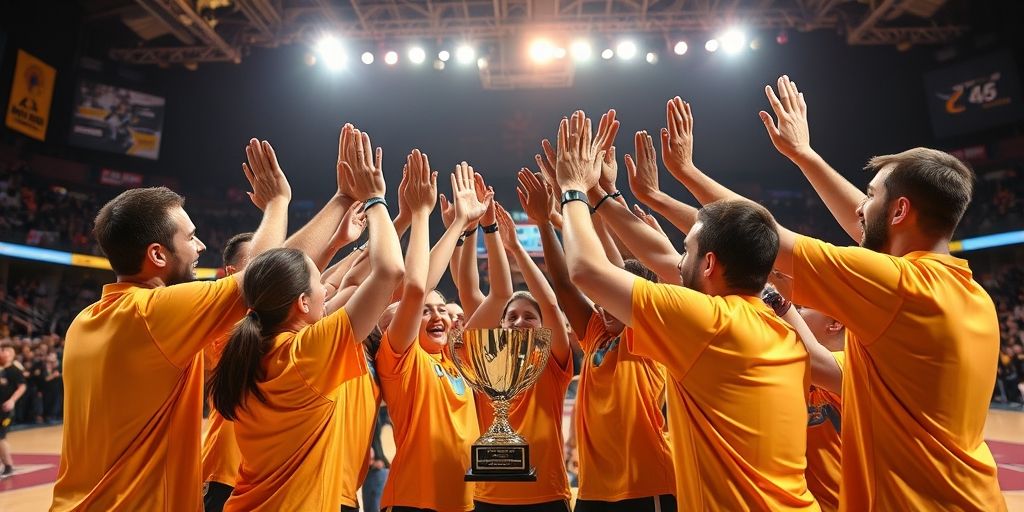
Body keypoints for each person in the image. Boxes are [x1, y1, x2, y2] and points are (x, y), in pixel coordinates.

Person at [670, 76, 1005, 509]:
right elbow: (873, 229)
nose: (860, 206)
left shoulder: (900, 287)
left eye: (870, 194)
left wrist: (688, 173)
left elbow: (761, 236)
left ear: (900, 210)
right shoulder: (970, 292)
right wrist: (804, 155)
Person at [554, 111, 817, 510]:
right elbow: (661, 255)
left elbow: (586, 270)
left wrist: (572, 188)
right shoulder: (779, 325)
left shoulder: (707, 321)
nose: (678, 261)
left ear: (709, 264)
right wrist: (602, 196)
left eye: (688, 251)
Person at [50, 138, 293, 511]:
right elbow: (261, 277)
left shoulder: (84, 320)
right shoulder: (155, 312)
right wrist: (278, 202)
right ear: (157, 254)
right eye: (191, 237)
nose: (201, 247)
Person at [211, 127, 404, 511]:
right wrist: (376, 199)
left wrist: (341, 209)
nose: (326, 289)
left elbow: (273, 274)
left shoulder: (247, 341)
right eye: (320, 286)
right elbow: (389, 271)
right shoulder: (308, 351)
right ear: (301, 303)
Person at [519, 169, 676, 512]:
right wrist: (543, 223)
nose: (603, 305)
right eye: (601, 299)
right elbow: (564, 284)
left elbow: (610, 268)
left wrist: (588, 193)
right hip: (593, 489)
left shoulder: (648, 332)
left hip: (645, 484)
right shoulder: (595, 333)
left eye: (612, 296)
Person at [377, 159, 491, 512]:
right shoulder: (401, 357)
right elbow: (415, 290)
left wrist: (471, 230)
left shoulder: (460, 361)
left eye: (441, 308)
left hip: (467, 502)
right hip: (415, 501)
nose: (438, 315)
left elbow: (473, 292)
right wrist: (450, 222)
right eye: (426, 311)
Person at [467, 204, 574, 512]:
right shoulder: (484, 362)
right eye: (511, 317)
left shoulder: (550, 361)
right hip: (490, 496)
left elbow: (550, 305)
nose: (519, 322)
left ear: (543, 328)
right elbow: (469, 293)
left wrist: (515, 248)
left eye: (529, 316)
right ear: (500, 324)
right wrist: (477, 230)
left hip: (546, 494)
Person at [201, 232, 254, 511]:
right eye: (255, 260)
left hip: (261, 473)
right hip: (226, 470)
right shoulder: (223, 322)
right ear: (233, 273)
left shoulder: (271, 322)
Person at [0, 343, 27, 478]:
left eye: (6, 351)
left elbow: (22, 387)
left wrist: (12, 400)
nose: (4, 353)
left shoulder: (14, 370)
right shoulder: (1, 370)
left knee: (1, 436)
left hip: (6, 410)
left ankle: (8, 466)